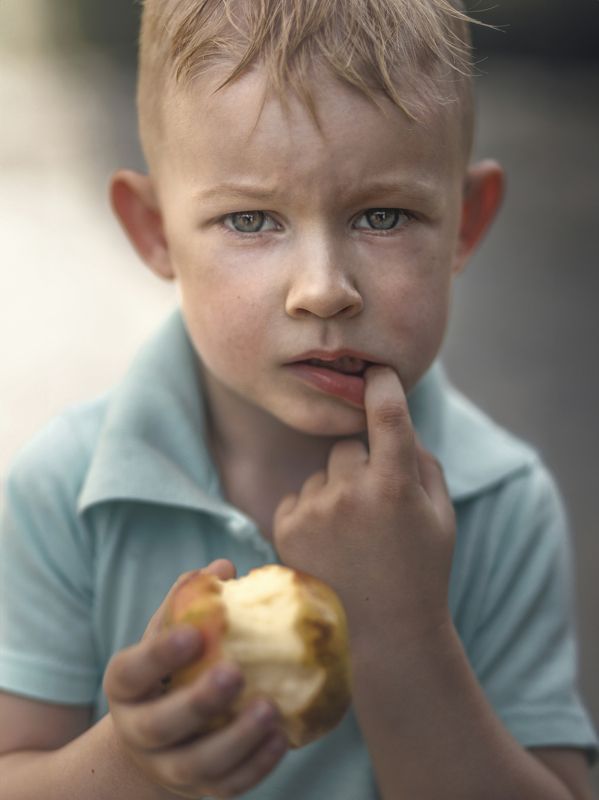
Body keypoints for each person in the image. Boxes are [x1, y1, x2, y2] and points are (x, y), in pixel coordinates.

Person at [0, 0, 597, 797]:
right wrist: (135, 762)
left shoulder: (500, 500)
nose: (322, 291)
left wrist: (401, 629)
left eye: (382, 215)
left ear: (464, 223)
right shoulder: (62, 495)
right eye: (251, 219)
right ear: (153, 230)